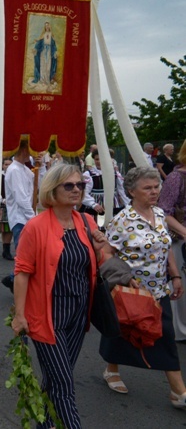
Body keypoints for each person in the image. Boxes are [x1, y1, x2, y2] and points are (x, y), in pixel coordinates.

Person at [11, 164, 106, 428]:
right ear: (52, 189)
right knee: (64, 383)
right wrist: (19, 315)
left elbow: (93, 263)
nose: (76, 190)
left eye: (80, 185)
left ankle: (44, 423)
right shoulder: (36, 227)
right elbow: (22, 272)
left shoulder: (86, 221)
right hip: (47, 314)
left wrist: (100, 246)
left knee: (56, 377)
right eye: (69, 185)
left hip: (78, 313)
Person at [101, 166, 186, 409]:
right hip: (132, 293)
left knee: (163, 335)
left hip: (159, 290)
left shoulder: (159, 214)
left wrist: (175, 275)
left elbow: (166, 246)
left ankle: (176, 391)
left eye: (156, 186)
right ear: (131, 191)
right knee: (126, 331)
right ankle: (179, 391)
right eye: (147, 188)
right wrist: (124, 278)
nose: (154, 191)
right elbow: (106, 253)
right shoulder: (122, 220)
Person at [159, 142, 186, 341]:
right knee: (181, 287)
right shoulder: (176, 178)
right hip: (180, 240)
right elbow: (163, 212)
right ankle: (179, 332)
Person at [2, 140, 36, 292]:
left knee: (30, 253)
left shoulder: (23, 169)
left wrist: (40, 167)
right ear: (23, 149)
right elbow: (20, 197)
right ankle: (14, 280)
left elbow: (34, 182)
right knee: (23, 254)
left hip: (27, 216)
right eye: (30, 149)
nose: (32, 153)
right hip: (20, 218)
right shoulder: (14, 170)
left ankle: (12, 278)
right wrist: (33, 217)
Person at [32, 21, 58, 87]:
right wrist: (36, 46)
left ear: (49, 26)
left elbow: (54, 44)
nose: (47, 26)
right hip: (43, 51)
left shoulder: (51, 34)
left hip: (49, 51)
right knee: (43, 65)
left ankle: (47, 80)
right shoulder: (43, 34)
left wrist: (55, 51)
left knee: (48, 65)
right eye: (46, 25)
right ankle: (42, 80)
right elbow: (39, 42)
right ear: (45, 27)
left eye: (48, 25)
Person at [0, 158, 14, 260]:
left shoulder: (14, 176)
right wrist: (1, 199)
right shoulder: (0, 177)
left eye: (9, 164)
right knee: (4, 228)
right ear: (3, 165)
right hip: (1, 204)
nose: (7, 166)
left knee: (9, 228)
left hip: (11, 204)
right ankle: (5, 249)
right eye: (6, 164)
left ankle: (6, 250)